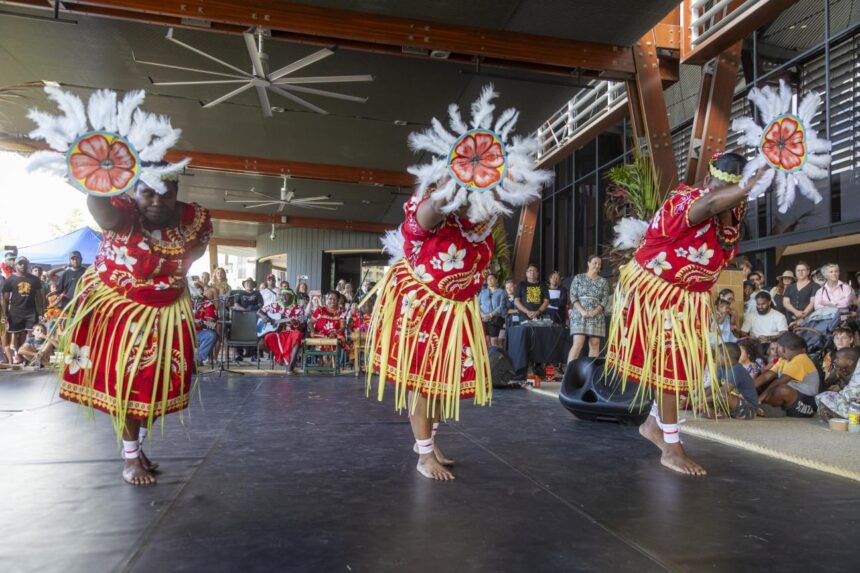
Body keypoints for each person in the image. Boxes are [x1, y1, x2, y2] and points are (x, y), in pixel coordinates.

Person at [26, 86, 212, 486]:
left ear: (177, 190)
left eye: (166, 192)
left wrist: (167, 277)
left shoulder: (195, 217)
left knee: (157, 387)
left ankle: (137, 448)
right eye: (147, 192)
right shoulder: (123, 212)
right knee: (128, 383)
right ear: (132, 192)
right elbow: (103, 214)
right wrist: (98, 180)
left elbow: (193, 253)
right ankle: (130, 459)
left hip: (167, 312)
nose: (158, 201)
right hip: (119, 311)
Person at [363, 87, 551, 481]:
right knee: (423, 378)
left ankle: (427, 443)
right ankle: (423, 455)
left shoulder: (486, 221)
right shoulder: (435, 204)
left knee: (440, 380)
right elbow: (422, 220)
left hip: (456, 308)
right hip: (422, 303)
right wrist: (453, 188)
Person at [606, 151, 762, 476]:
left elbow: (722, 215)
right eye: (718, 188)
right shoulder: (689, 200)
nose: (722, 198)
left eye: (728, 192)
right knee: (671, 367)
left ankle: (653, 424)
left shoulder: (732, 213)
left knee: (686, 369)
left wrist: (743, 191)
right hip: (654, 292)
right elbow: (709, 205)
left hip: (687, 299)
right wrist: (751, 182)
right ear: (708, 181)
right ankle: (672, 446)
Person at [754, 332, 819, 417]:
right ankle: (770, 408)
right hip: (793, 398)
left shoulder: (801, 359)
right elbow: (767, 376)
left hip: (805, 404)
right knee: (766, 384)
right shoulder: (783, 360)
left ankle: (764, 407)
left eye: (778, 347)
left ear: (783, 349)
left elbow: (780, 381)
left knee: (782, 390)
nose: (776, 350)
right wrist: (749, 388)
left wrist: (759, 399)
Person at [1, 257, 45, 365]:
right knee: (16, 334)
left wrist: (41, 312)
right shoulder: (10, 280)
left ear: (28, 264)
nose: (22, 266)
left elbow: (39, 297)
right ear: (16, 265)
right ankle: (19, 356)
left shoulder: (35, 279)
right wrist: (5, 314)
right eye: (20, 264)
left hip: (31, 311)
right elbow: (5, 299)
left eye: (25, 263)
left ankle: (29, 358)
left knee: (31, 334)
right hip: (15, 312)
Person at [567, 255, 609, 361]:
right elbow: (573, 296)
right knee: (578, 343)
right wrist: (582, 311)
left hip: (596, 315)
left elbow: (604, 299)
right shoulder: (578, 278)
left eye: (599, 264)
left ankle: (590, 374)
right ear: (588, 263)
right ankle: (569, 373)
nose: (597, 265)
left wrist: (596, 311)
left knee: (595, 344)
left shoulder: (603, 281)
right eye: (595, 263)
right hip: (580, 314)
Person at [258, 289, 306, 372]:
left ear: (292, 296)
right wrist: (264, 317)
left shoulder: (298, 309)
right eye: (282, 295)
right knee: (267, 338)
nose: (283, 297)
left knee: (297, 335)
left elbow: (301, 327)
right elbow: (259, 311)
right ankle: (279, 357)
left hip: (292, 333)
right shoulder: (275, 306)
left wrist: (295, 323)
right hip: (279, 333)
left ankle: (290, 367)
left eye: (286, 295)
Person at [711, 342, 759, 420]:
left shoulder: (736, 370)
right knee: (708, 396)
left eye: (717, 355)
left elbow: (724, 390)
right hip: (734, 402)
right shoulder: (721, 369)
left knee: (722, 396)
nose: (715, 358)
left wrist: (704, 400)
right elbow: (713, 387)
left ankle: (727, 413)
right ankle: (725, 412)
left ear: (726, 359)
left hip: (749, 408)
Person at [815, 347, 860, 420]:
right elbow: (827, 383)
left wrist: (841, 375)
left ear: (849, 362)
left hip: (853, 405)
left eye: (838, 359)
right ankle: (828, 413)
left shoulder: (855, 371)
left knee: (825, 396)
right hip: (852, 402)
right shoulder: (839, 369)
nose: (835, 360)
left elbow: (852, 392)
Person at [478, 273, 505, 348]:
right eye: (488, 279)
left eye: (492, 278)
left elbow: (501, 306)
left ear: (496, 280)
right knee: (486, 340)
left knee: (494, 341)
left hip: (495, 319)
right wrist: (482, 314)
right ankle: (487, 359)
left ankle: (496, 359)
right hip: (483, 318)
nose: (490, 280)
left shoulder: (501, 292)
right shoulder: (483, 292)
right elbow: (477, 304)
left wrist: (490, 315)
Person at [192, 291, 219, 365]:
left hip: (198, 333)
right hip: (183, 332)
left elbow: (212, 322)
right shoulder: (181, 301)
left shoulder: (208, 303)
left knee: (211, 335)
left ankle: (197, 361)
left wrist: (204, 322)